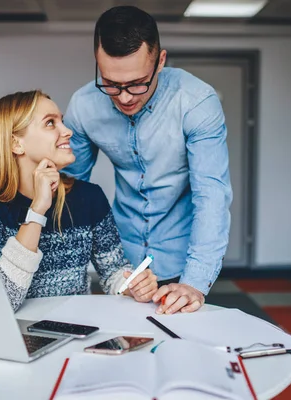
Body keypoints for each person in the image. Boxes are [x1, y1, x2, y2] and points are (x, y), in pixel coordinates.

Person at [63, 6, 233, 315]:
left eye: (138, 83)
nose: (125, 97)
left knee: (181, 354)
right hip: (121, 264)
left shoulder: (196, 102)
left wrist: (194, 282)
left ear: (161, 61)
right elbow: (69, 191)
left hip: (183, 260)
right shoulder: (84, 106)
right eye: (111, 83)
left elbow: (212, 196)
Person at [0, 90, 158, 312]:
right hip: (14, 336)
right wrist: (38, 209)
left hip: (76, 330)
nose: (67, 131)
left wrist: (132, 285)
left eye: (61, 121)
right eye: (50, 123)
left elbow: (113, 272)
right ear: (16, 143)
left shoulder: (90, 196)